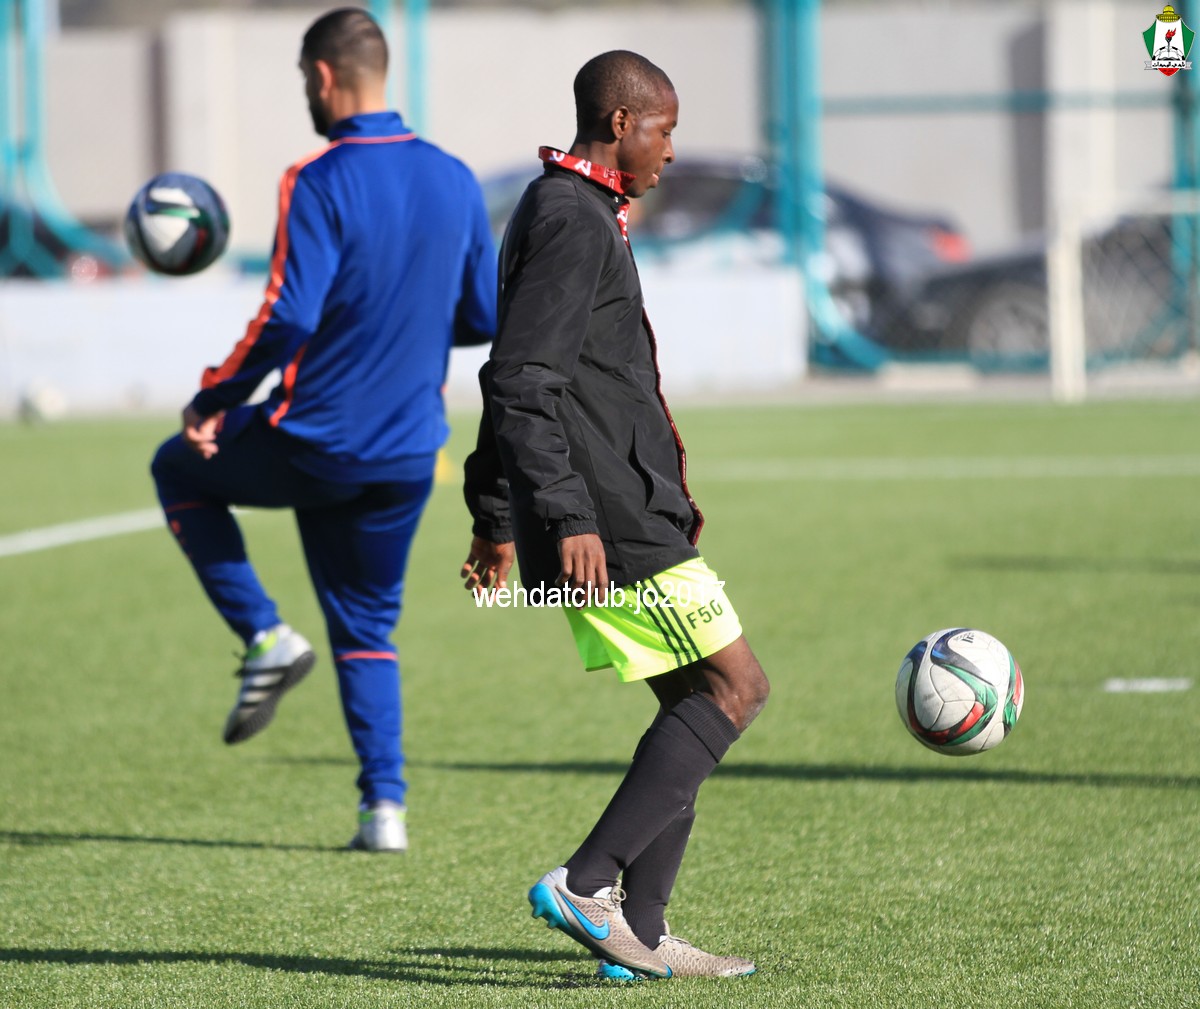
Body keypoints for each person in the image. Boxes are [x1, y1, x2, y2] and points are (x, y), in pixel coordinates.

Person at [151, 7, 496, 852]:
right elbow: (485, 313)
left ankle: (264, 635)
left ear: (323, 76)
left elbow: (288, 314)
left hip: (317, 441)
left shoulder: (315, 179)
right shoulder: (455, 177)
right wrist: (403, 325)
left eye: (304, 79)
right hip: (409, 453)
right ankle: (385, 812)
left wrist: (215, 396)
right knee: (367, 628)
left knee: (177, 467)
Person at [460, 50, 770, 979]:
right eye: (665, 130)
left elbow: (521, 373)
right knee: (736, 688)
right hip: (606, 521)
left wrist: (495, 517)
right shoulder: (570, 215)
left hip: (612, 510)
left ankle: (640, 931)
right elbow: (520, 380)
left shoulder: (572, 206)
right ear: (623, 123)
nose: (671, 150)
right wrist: (564, 517)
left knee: (689, 703)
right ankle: (586, 884)